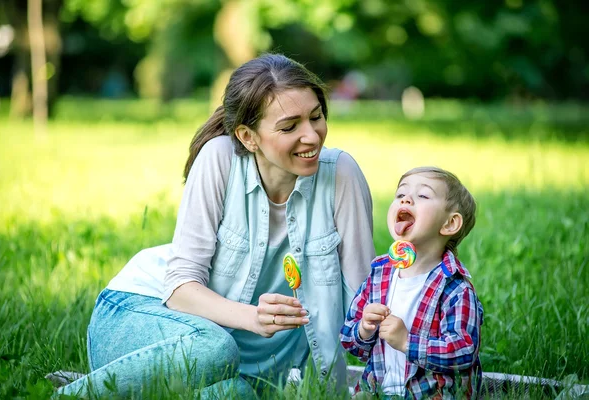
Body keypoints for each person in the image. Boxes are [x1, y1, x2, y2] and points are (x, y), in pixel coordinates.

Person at [56, 53, 376, 398]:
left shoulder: (341, 173)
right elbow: (180, 288)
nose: (312, 136)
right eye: (290, 126)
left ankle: (131, 387)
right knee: (215, 349)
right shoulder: (220, 157)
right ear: (248, 136)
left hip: (248, 366)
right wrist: (252, 317)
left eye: (316, 117)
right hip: (142, 312)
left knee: (237, 393)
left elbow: (364, 296)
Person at [340, 167, 484, 399]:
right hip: (376, 390)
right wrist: (364, 329)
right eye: (400, 195)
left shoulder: (455, 289)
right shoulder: (379, 276)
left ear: (449, 224)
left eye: (423, 196)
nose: (406, 199)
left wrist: (408, 342)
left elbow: (464, 351)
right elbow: (348, 339)